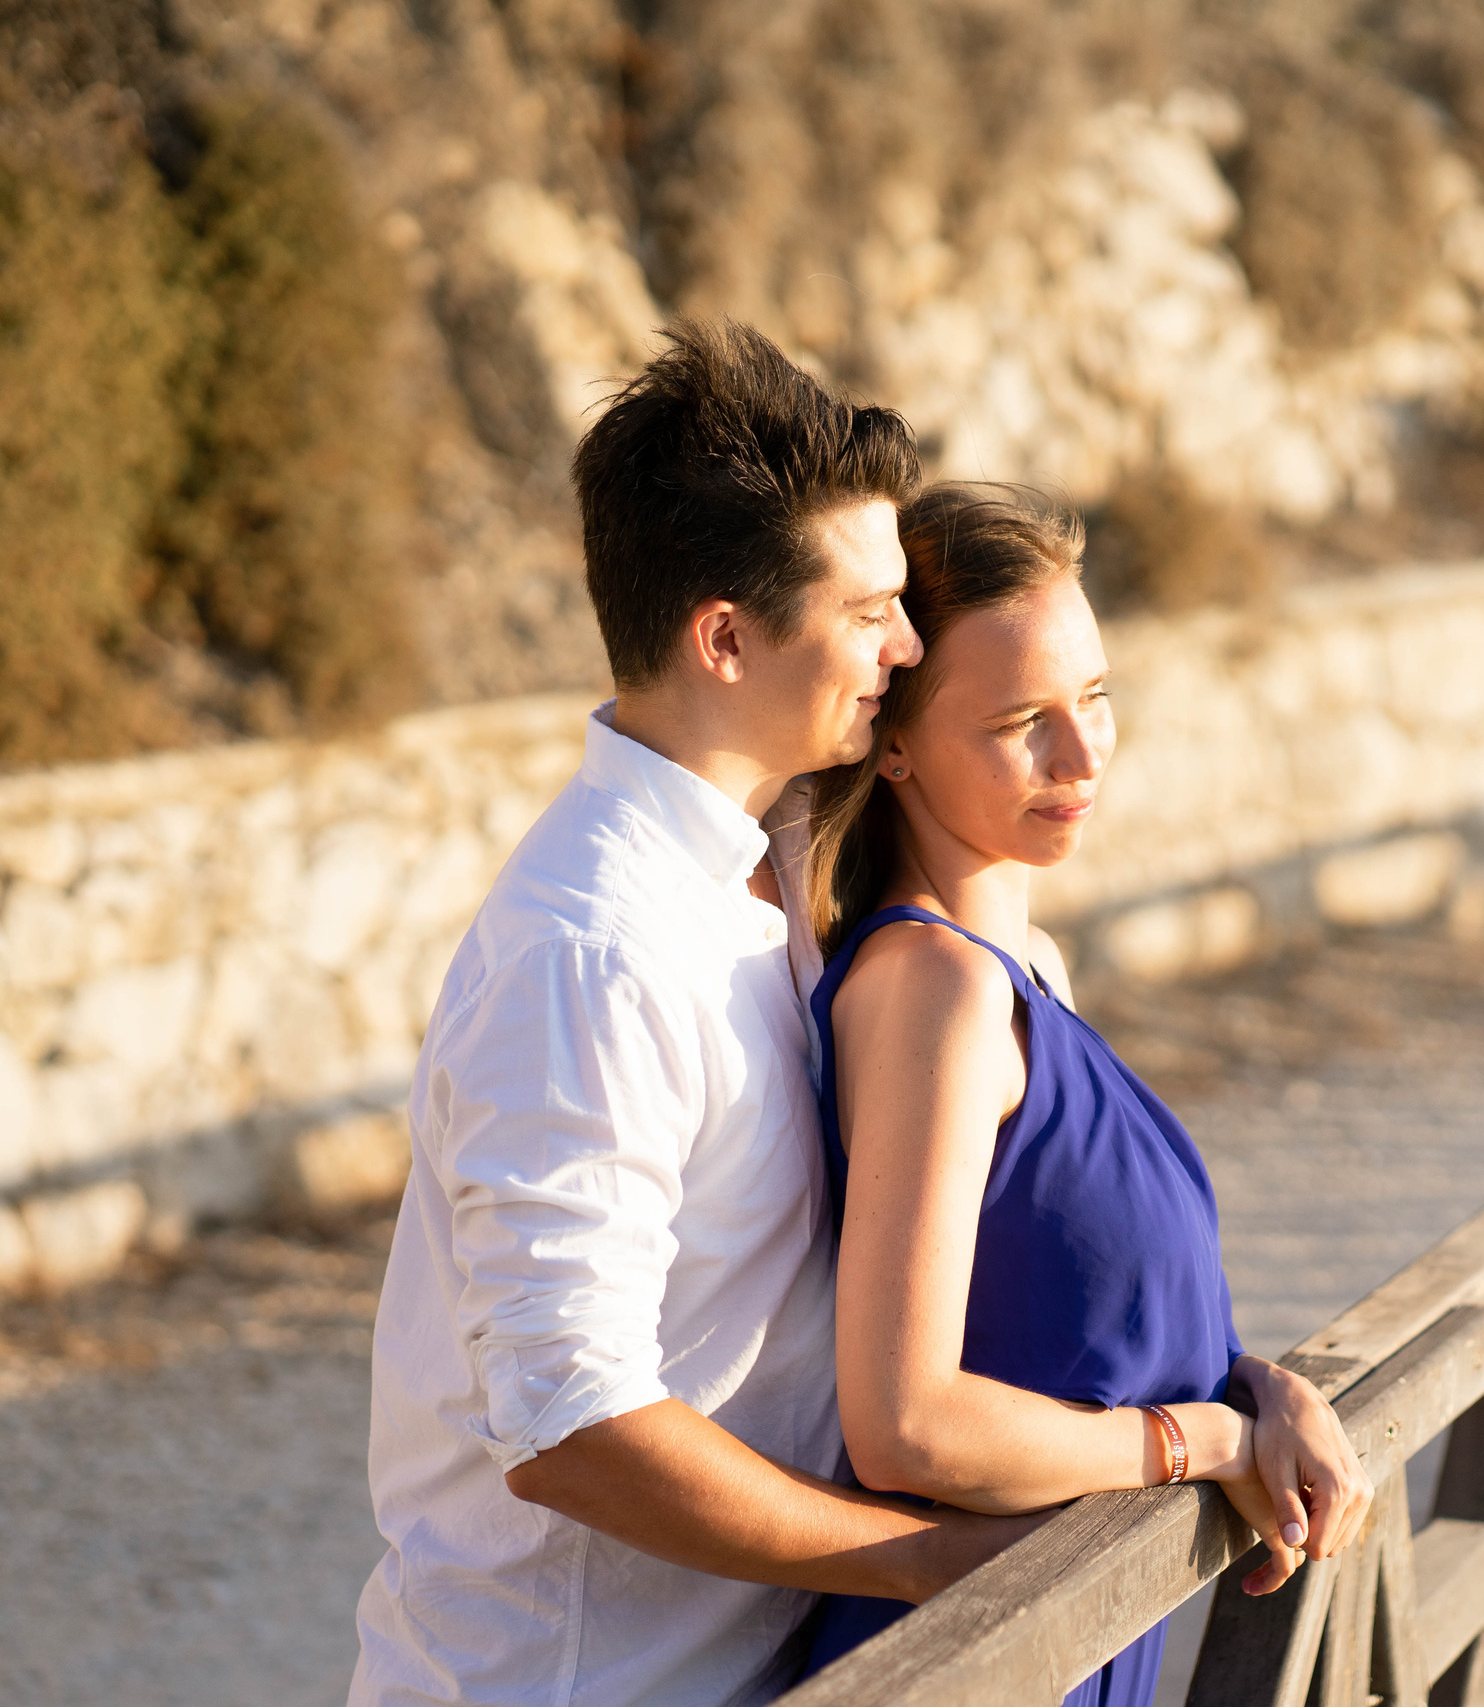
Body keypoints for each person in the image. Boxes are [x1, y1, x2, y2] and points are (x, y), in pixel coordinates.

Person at [351, 323, 1032, 1707]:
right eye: (865, 613)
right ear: (724, 637)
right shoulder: (588, 953)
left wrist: (1222, 1395)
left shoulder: (780, 866)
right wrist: (923, 1557)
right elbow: (569, 1422)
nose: (904, 645)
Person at [792, 488, 1373, 1705]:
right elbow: (904, 1422)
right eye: (1022, 723)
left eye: (1095, 698)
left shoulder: (1026, 974)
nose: (1082, 754)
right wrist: (1199, 1443)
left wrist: (1263, 1390)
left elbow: (1075, 1330)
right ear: (892, 743)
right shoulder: (932, 994)